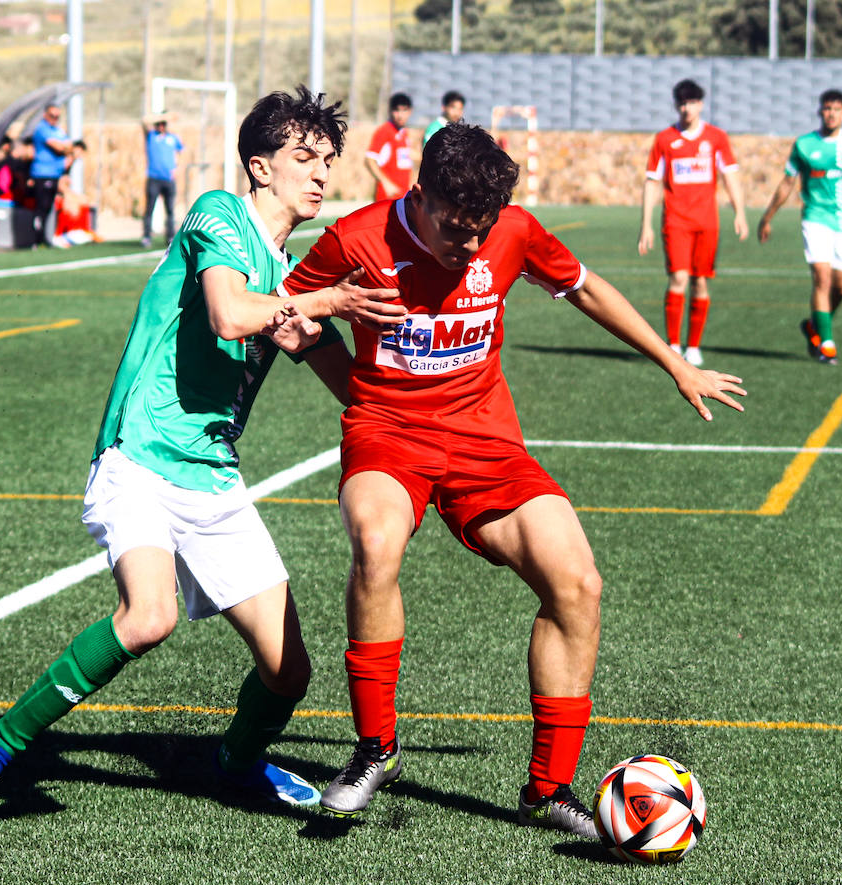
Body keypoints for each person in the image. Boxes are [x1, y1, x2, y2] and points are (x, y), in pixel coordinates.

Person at [0, 86, 404, 819]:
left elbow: (350, 384)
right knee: (146, 616)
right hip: (141, 456)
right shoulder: (220, 213)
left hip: (212, 476)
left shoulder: (292, 274)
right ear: (258, 166)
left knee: (288, 674)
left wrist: (409, 360)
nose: (320, 174)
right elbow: (229, 310)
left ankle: (238, 762)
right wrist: (323, 304)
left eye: (328, 161)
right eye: (301, 157)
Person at [282, 122, 747, 836]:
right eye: (453, 228)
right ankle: (375, 750)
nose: (469, 246)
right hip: (388, 435)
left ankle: (547, 789)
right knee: (376, 544)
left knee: (578, 583)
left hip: (484, 441)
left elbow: (588, 290)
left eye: (481, 231)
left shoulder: (515, 232)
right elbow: (287, 315)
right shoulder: (354, 239)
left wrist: (674, 362)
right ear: (421, 194)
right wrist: (355, 390)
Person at [757, 88, 842, 365]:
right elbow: (786, 183)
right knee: (822, 277)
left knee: (841, 287)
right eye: (827, 109)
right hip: (815, 219)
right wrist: (768, 217)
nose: (831, 114)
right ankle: (827, 344)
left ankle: (815, 327)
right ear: (820, 111)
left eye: (837, 109)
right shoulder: (804, 144)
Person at [637, 79, 747, 368]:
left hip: (707, 222)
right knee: (679, 279)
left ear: (701, 104)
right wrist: (646, 224)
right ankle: (673, 345)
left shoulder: (717, 138)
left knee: (700, 282)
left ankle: (694, 346)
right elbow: (652, 182)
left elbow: (730, 175)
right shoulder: (664, 140)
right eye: (682, 103)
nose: (686, 109)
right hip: (676, 221)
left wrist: (740, 212)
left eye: (692, 103)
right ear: (677, 105)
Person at [29, 103, 74, 246]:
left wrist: (66, 148)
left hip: (55, 175)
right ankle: (36, 240)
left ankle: (45, 238)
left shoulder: (58, 130)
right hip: (43, 174)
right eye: (52, 115)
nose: (55, 119)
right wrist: (64, 148)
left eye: (57, 116)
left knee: (49, 208)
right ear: (45, 115)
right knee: (41, 208)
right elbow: (60, 147)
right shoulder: (42, 129)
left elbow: (70, 146)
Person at [142, 114, 183, 247]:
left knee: (170, 209)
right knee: (150, 208)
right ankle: (147, 236)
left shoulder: (172, 138)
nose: (161, 126)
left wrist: (176, 167)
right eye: (159, 124)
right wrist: (161, 116)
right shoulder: (151, 136)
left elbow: (181, 152)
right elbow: (144, 120)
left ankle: (170, 236)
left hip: (168, 179)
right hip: (154, 178)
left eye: (163, 124)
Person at [365, 92, 413, 202]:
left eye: (404, 110)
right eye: (396, 110)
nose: (400, 115)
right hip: (387, 198)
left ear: (410, 111)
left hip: (402, 196)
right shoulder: (384, 131)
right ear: (390, 111)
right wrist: (386, 183)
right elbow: (369, 160)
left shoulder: (404, 132)